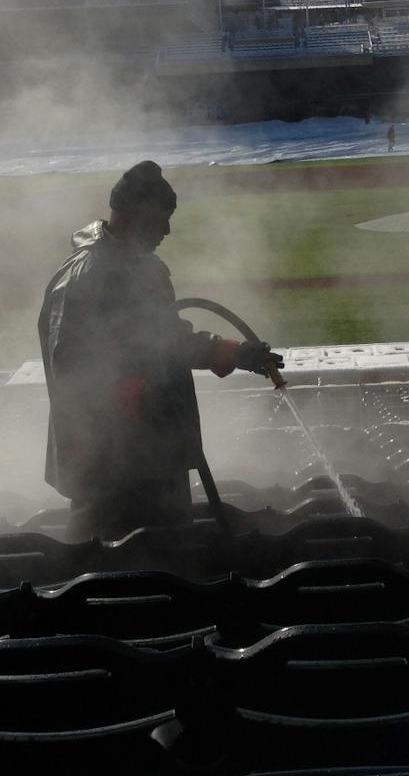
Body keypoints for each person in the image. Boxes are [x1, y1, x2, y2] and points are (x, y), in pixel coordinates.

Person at [38, 161, 282, 540]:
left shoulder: (145, 269)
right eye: (161, 219)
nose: (168, 230)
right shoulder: (85, 276)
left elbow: (167, 339)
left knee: (170, 559)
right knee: (103, 568)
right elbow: (71, 370)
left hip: (155, 454)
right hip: (107, 466)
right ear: (134, 215)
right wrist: (139, 395)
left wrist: (234, 354)